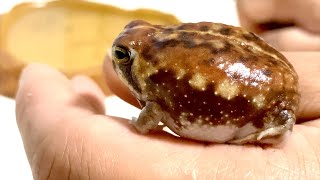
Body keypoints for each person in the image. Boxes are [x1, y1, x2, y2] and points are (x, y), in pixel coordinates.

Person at [15, 0, 320, 179]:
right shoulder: (162, 60)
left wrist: (139, 126)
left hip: (267, 106)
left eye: (122, 57)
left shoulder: (155, 83)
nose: (116, 59)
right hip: (277, 73)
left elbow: (150, 118)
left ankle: (277, 125)